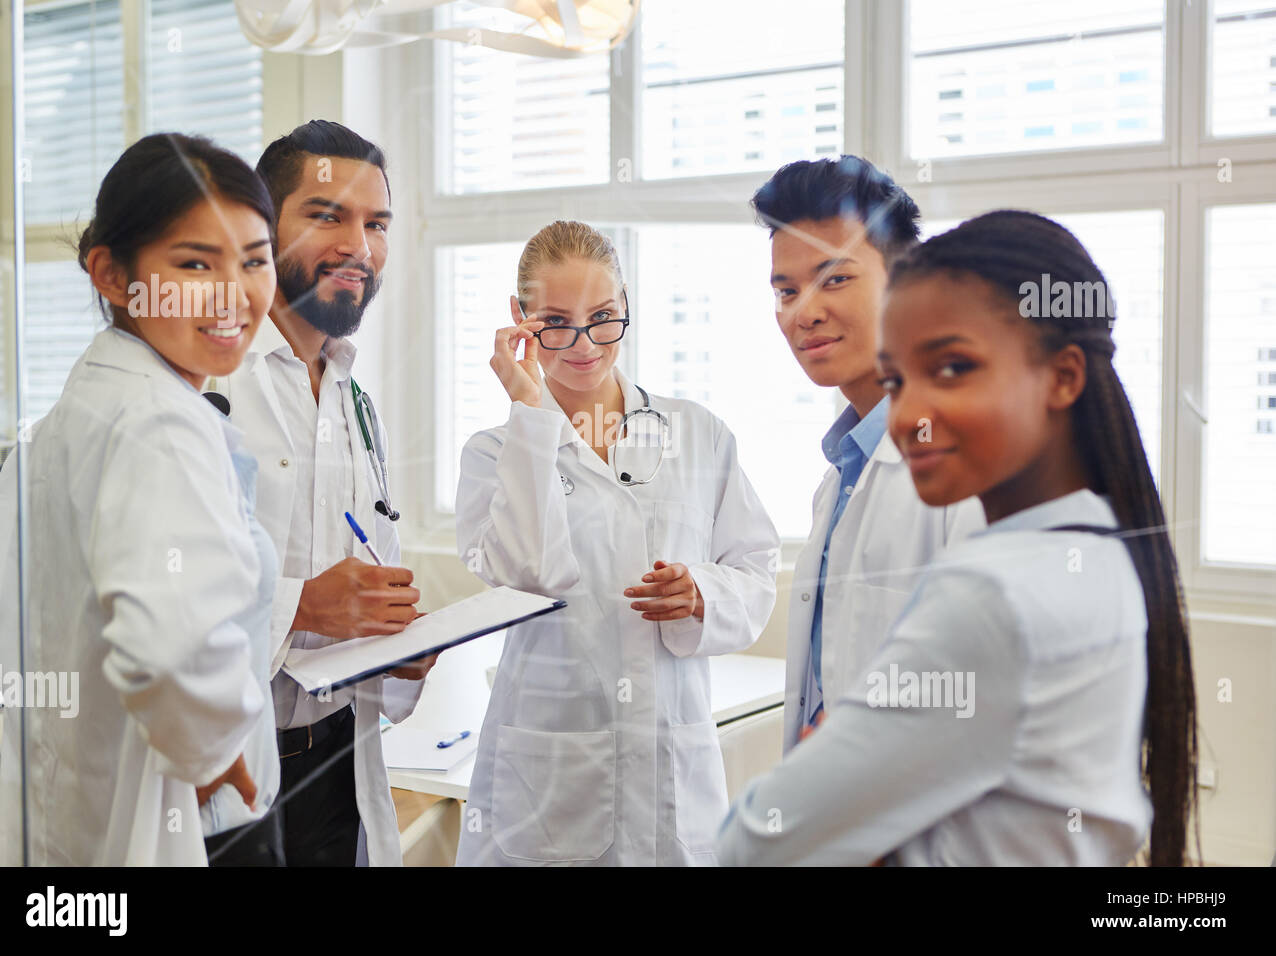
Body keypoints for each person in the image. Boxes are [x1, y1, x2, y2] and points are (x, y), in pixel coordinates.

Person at [717, 211, 1198, 866]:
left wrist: (851, 766)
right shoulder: (1101, 548)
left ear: (1062, 376)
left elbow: (755, 842)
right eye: (896, 380)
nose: (910, 413)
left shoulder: (995, 594)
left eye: (952, 367)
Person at [0, 133, 280, 865]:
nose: (234, 293)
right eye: (195, 263)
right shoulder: (160, 422)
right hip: (177, 813)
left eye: (255, 260)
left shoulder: (77, 413)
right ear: (112, 275)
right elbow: (169, 641)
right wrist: (212, 746)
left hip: (70, 813)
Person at [454, 220, 779, 866]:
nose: (584, 344)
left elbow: (757, 570)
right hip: (549, 774)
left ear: (627, 306)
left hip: (669, 759)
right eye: (556, 321)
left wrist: (701, 593)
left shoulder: (698, 434)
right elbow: (528, 573)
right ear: (519, 320)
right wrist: (530, 416)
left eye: (603, 317)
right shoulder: (494, 451)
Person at [205, 120, 432, 867]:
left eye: (377, 224)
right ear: (263, 229)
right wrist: (299, 605)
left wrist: (400, 644)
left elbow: (372, 569)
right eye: (327, 215)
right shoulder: (209, 383)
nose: (358, 247)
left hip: (337, 772)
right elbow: (142, 584)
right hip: (225, 777)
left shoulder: (356, 404)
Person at [750, 156, 983, 753]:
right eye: (786, 290)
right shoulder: (842, 475)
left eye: (834, 279)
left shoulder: (965, 468)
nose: (803, 312)